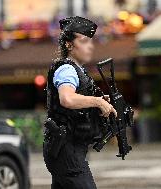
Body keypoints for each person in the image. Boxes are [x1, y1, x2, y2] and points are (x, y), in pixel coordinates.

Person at [43, 16, 117, 189]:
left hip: (67, 148)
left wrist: (98, 101)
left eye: (90, 41)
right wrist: (97, 102)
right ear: (69, 44)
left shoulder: (76, 69)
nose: (90, 46)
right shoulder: (67, 69)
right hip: (67, 150)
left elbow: (77, 99)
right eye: (83, 41)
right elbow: (67, 99)